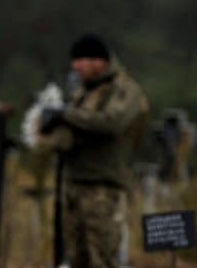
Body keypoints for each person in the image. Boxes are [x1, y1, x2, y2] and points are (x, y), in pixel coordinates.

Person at [38, 34, 148, 268]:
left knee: (102, 257)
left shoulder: (124, 89)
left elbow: (112, 122)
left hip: (102, 186)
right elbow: (71, 129)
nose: (75, 66)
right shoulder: (83, 91)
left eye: (81, 60)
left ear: (99, 61)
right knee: (76, 257)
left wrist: (65, 114)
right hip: (73, 183)